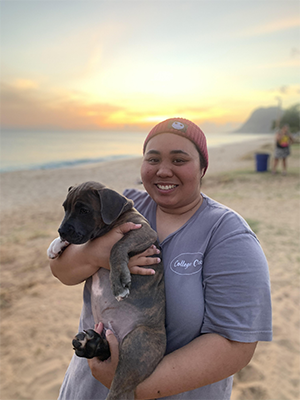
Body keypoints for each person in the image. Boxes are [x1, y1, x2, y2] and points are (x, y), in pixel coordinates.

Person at [50, 117, 272, 400]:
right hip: (85, 389)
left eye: (179, 160)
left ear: (203, 167)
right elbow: (61, 270)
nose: (163, 170)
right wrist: (100, 254)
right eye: (152, 159)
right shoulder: (122, 207)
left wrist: (128, 388)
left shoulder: (229, 235)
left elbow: (235, 347)